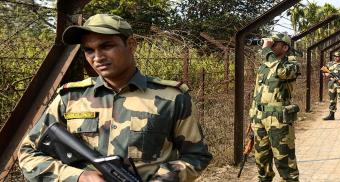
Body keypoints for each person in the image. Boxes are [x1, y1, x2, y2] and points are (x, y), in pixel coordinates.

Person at [18, 14, 212, 182]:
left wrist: (163, 178)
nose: (97, 57)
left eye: (106, 46)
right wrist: (78, 177)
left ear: (131, 45)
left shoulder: (171, 98)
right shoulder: (71, 97)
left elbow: (196, 156)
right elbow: (27, 153)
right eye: (89, 50)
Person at [249, 33, 301, 182]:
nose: (270, 45)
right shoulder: (265, 65)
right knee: (261, 161)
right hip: (260, 118)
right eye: (270, 43)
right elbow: (257, 91)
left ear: (285, 47)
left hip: (279, 120)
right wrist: (252, 117)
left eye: (274, 43)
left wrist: (266, 50)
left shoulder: (291, 65)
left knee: (284, 162)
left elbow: (281, 72)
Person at [322, 51, 340, 123]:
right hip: (332, 84)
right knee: (332, 100)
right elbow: (323, 71)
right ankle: (331, 115)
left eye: (338, 56)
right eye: (335, 56)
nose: (337, 58)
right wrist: (326, 75)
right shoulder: (330, 64)